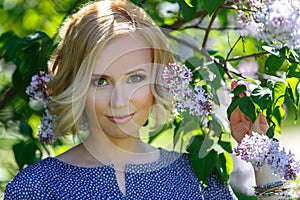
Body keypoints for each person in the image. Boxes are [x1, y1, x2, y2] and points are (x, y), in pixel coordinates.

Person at [4, 0, 276, 199]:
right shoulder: (36, 188)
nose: (120, 101)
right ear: (76, 87)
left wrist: (262, 163)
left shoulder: (199, 179)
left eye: (135, 78)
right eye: (101, 81)